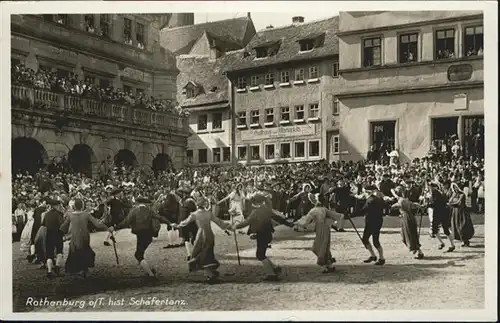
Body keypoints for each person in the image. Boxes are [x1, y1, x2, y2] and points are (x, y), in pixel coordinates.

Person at [110, 196, 173, 279]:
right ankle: (148, 270)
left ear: (137, 203)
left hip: (140, 234)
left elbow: (126, 222)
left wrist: (114, 228)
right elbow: (160, 218)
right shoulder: (149, 210)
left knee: (138, 255)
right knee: (140, 254)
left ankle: (150, 274)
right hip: (149, 235)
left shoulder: (134, 211)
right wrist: (169, 223)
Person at [173, 197, 231, 284]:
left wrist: (177, 225)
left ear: (197, 205)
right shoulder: (209, 213)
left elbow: (185, 223)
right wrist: (230, 227)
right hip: (209, 234)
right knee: (208, 253)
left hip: (200, 235)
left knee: (200, 254)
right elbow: (219, 222)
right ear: (204, 204)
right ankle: (210, 273)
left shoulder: (194, 214)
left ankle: (210, 275)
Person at [232, 194, 282, 281]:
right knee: (262, 253)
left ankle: (271, 275)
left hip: (261, 235)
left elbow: (246, 222)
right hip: (267, 234)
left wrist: (235, 227)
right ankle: (275, 268)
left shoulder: (255, 212)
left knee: (260, 255)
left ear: (255, 203)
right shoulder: (267, 209)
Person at [60, 198, 109, 277]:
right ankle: (84, 269)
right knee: (85, 250)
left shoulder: (70, 215)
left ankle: (75, 269)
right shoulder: (87, 215)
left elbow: (63, 227)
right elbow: (97, 225)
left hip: (75, 236)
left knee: (74, 251)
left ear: (74, 206)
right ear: (82, 206)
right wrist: (107, 227)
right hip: (84, 235)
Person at [294, 193, 341, 273]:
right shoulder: (324, 208)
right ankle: (329, 265)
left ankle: (324, 266)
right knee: (324, 246)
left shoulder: (315, 210)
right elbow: (335, 215)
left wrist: (296, 223)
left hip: (321, 229)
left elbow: (306, 220)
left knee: (318, 247)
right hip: (326, 229)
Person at [391, 186, 424, 259]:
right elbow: (413, 205)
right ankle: (417, 250)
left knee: (408, 235)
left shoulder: (401, 200)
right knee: (410, 234)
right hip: (409, 217)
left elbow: (397, 205)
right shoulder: (405, 199)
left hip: (406, 218)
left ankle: (417, 250)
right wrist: (419, 206)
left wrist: (394, 205)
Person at [357, 185, 386, 265]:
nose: (363, 193)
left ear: (367, 192)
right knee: (365, 239)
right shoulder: (377, 199)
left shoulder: (370, 200)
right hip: (376, 221)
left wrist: (352, 214)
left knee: (374, 241)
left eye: (364, 192)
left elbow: (363, 211)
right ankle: (373, 256)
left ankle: (381, 258)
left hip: (373, 222)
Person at [427, 182, 455, 252]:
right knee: (441, 229)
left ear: (434, 187)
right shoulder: (438, 192)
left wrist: (428, 205)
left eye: (430, 187)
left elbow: (435, 203)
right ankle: (449, 244)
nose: (430, 188)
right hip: (442, 212)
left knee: (437, 229)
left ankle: (445, 243)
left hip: (439, 213)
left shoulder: (436, 193)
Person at [42, 199, 65, 278]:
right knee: (59, 251)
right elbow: (61, 225)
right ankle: (57, 267)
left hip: (49, 235)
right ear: (56, 206)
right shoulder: (59, 214)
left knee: (49, 253)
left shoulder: (46, 214)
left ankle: (49, 271)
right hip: (57, 234)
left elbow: (43, 224)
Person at [173, 187, 198, 260]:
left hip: (183, 221)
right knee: (195, 236)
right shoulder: (191, 201)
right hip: (190, 221)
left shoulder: (181, 201)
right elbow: (194, 212)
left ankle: (189, 254)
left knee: (186, 238)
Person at [449, 183, 475, 247]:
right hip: (455, 212)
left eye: (456, 187)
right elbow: (450, 201)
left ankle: (466, 240)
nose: (455, 189)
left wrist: (450, 204)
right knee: (456, 226)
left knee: (463, 226)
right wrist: (453, 196)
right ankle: (462, 241)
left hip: (462, 212)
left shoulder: (462, 194)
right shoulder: (454, 194)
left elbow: (458, 202)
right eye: (454, 188)